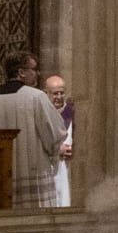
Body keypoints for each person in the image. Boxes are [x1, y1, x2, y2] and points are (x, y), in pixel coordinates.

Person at [0, 51, 65, 209]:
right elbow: (53, 133)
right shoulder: (36, 97)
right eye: (33, 69)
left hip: (0, 180)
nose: (36, 73)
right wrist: (54, 152)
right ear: (21, 72)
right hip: (33, 173)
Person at [43, 75, 75, 206]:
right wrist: (57, 149)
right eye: (55, 93)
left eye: (62, 93)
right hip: (48, 168)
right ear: (46, 93)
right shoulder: (42, 113)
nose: (59, 97)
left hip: (69, 168)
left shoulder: (71, 112)